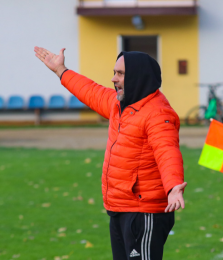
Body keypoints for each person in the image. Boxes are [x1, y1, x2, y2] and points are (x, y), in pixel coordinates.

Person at [34, 46, 186, 260]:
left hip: (144, 211)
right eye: (114, 72)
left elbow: (167, 151)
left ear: (137, 76)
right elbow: (90, 90)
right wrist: (61, 70)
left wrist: (173, 187)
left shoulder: (158, 114)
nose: (114, 79)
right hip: (119, 207)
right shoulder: (119, 104)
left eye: (120, 73)